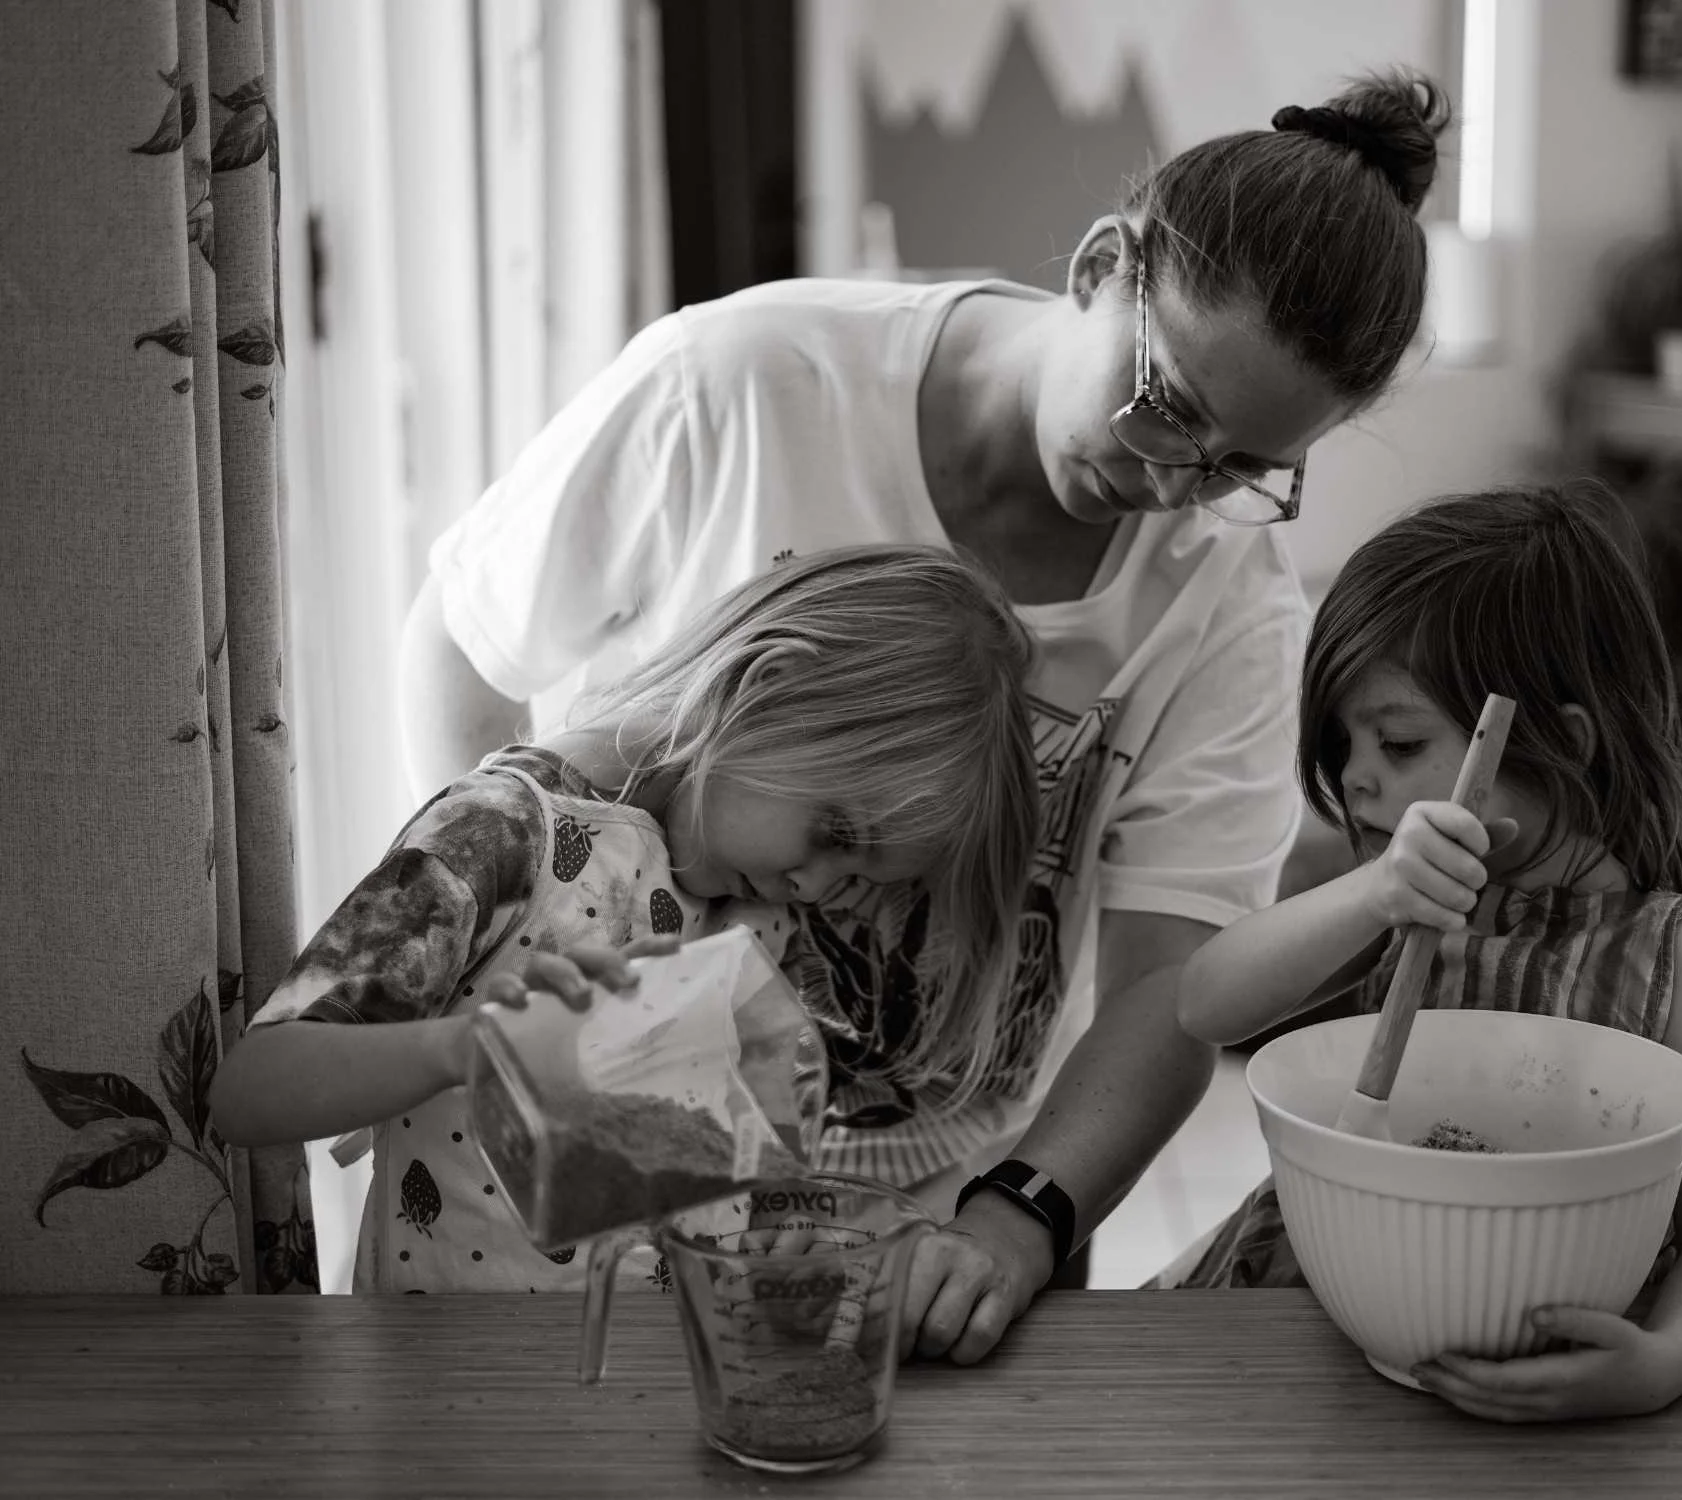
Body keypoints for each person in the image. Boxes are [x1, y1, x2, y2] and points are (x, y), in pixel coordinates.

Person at [397, 71, 1452, 1359]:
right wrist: (477, 944)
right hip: (615, 1173)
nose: (1171, 482)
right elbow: (465, 644)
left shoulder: (1229, 611)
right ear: (1097, 266)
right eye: (1165, 404)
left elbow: (1164, 985)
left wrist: (1019, 1219)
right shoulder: (739, 384)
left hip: (947, 1217)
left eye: (1242, 468)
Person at [209, 546, 1038, 1293]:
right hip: (449, 1398)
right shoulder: (500, 834)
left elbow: (708, 1183)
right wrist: (460, 1048)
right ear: (770, 684)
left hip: (643, 1399)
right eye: (834, 833)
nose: (816, 886)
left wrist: (781, 1226)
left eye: (854, 876)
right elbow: (250, 1093)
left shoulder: (749, 921)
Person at [1162, 483, 1682, 1422]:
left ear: (1561, 744)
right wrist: (1371, 896)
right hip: (1326, 1328)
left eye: (1400, 740)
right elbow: (1203, 1005)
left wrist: (1661, 1365)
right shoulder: (1400, 903)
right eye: (1344, 741)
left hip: (1545, 1363)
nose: (1357, 774)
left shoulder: (1674, 957)